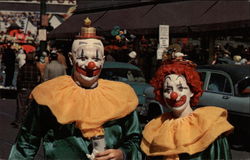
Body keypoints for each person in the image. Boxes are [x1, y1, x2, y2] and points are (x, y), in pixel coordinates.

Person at [9, 17, 143, 160]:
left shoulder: (121, 96)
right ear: (72, 59)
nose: (90, 65)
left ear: (103, 61)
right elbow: (26, 143)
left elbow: (135, 140)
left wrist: (122, 153)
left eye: (96, 59)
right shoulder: (49, 95)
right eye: (83, 58)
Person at [140, 61, 234, 160]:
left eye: (180, 88)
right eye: (168, 90)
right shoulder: (156, 128)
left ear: (192, 91)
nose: (174, 95)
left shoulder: (210, 128)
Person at [11, 52, 40, 128]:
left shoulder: (23, 67)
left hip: (23, 89)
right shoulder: (35, 68)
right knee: (29, 106)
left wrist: (18, 88)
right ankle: (27, 122)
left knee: (21, 106)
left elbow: (19, 79)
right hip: (32, 89)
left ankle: (18, 121)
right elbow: (38, 79)